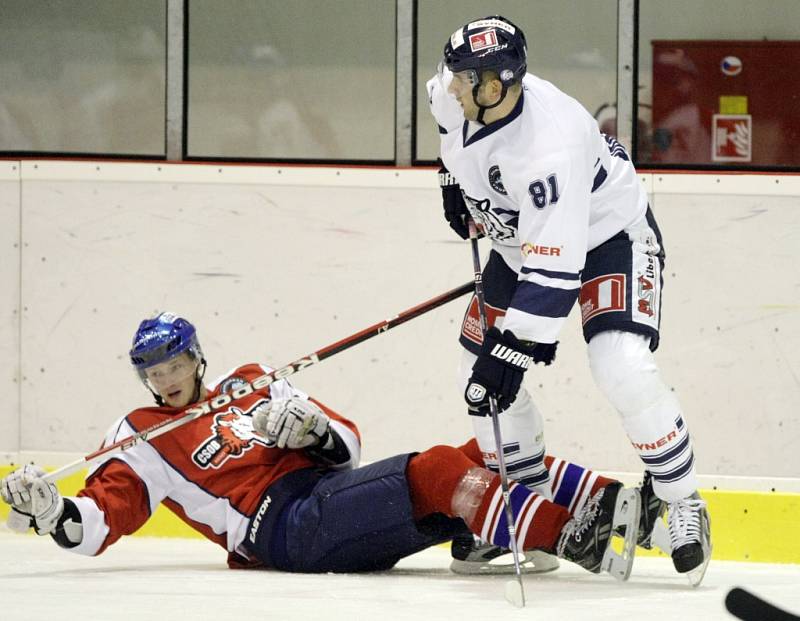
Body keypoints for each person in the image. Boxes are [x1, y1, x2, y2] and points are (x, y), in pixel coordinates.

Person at [1, 311, 641, 578]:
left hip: (323, 497)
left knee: (483, 453)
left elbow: (349, 448)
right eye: (153, 371)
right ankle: (566, 536)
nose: (165, 380)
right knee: (443, 467)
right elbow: (98, 520)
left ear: (196, 358)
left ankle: (623, 510)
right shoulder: (143, 432)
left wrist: (311, 430)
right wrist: (52, 512)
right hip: (279, 529)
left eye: (173, 365)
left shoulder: (249, 382)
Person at [427, 15, 710, 584]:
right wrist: (452, 182)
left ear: (497, 85)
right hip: (518, 246)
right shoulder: (450, 94)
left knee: (620, 364)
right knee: (476, 382)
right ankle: (531, 518)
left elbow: (554, 271)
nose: (450, 87)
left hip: (608, 237)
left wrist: (515, 348)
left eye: (465, 80)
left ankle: (683, 502)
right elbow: (450, 144)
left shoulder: (550, 145)